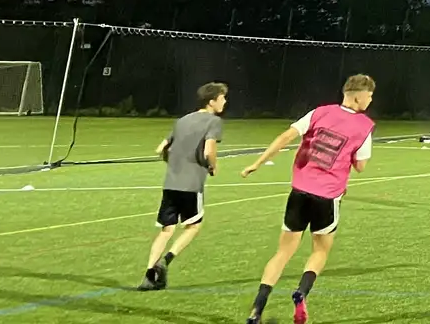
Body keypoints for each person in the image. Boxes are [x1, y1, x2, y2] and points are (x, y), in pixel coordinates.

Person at [239, 74, 377, 324]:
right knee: (321, 251)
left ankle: (256, 310)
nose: (370, 99)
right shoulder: (364, 126)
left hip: (299, 191)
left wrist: (256, 163)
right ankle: (301, 292)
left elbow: (285, 137)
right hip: (327, 196)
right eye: (369, 95)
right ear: (358, 95)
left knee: (282, 252)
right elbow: (361, 166)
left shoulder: (319, 112)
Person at [138, 81, 226, 291]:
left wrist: (174, 164)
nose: (225, 101)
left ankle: (149, 275)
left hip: (171, 182)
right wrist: (213, 167)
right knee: (193, 226)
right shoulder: (213, 122)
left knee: (166, 230)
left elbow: (160, 149)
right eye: (222, 98)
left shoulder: (182, 120)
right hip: (191, 184)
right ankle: (165, 261)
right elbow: (208, 151)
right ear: (212, 101)